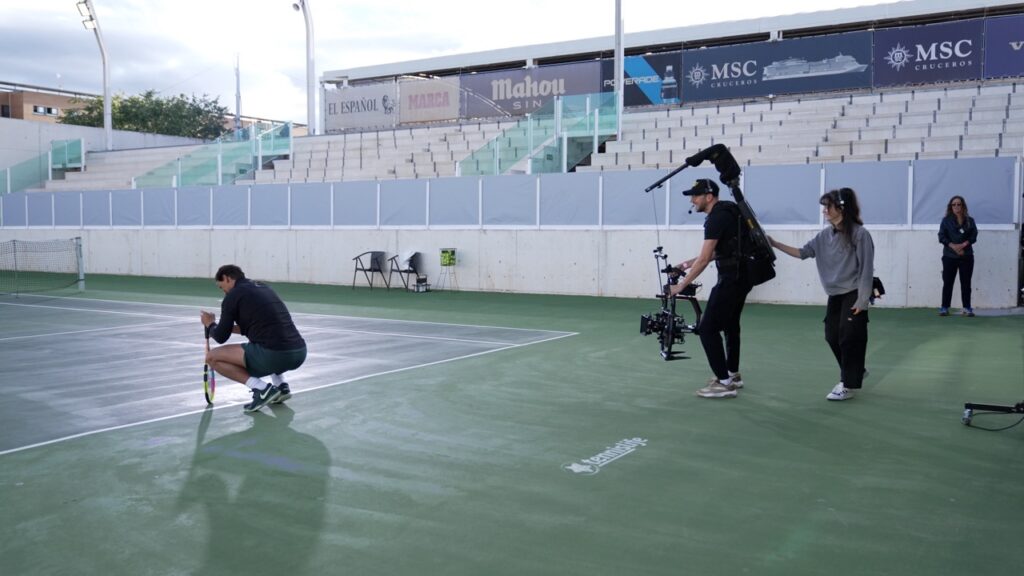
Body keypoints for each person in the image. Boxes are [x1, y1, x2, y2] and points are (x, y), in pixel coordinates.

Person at [769, 188, 875, 401]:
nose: (824, 211)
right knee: (831, 335)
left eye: (828, 206)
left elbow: (866, 269)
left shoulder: (860, 234)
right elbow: (802, 253)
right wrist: (774, 244)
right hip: (834, 294)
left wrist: (863, 300)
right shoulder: (824, 236)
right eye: (824, 206)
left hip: (853, 292)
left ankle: (847, 382)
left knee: (848, 337)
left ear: (841, 208)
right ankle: (855, 370)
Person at [668, 178, 752, 399]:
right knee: (731, 325)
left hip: (731, 278)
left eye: (695, 196)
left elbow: (705, 259)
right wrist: (687, 264)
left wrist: (680, 286)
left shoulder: (716, 218)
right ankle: (733, 374)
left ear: (709, 196)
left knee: (707, 329)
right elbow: (723, 250)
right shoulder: (729, 213)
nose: (692, 200)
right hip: (742, 276)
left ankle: (724, 384)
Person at [200, 265, 307, 413]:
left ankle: (261, 389)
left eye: (221, 286)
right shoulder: (263, 287)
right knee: (260, 340)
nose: (223, 291)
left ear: (227, 278)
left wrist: (209, 324)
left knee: (212, 357)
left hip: (276, 356)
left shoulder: (232, 296)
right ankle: (281, 386)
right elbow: (249, 328)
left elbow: (220, 337)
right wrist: (216, 326)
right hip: (299, 353)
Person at [937, 195, 978, 317]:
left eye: (958, 204)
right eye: (953, 204)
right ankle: (944, 307)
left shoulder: (970, 221)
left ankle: (967, 308)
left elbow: (974, 236)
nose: (956, 206)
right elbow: (941, 236)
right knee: (948, 282)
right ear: (951, 206)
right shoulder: (946, 221)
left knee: (966, 283)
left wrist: (963, 245)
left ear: (963, 206)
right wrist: (953, 246)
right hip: (949, 256)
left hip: (966, 256)